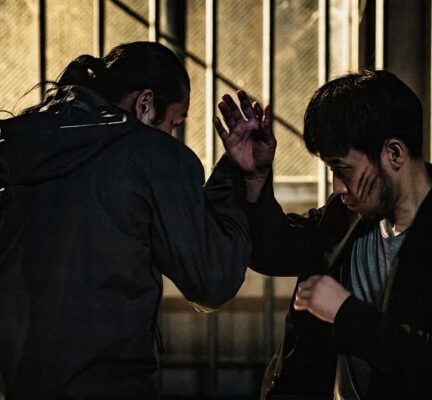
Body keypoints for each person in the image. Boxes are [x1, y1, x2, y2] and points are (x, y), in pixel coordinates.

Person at [0, 41, 251, 399]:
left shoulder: (24, 145)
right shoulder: (150, 154)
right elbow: (212, 280)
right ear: (145, 103)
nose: (171, 134)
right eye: (174, 122)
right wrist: (235, 179)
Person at [214, 70, 432, 399]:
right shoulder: (348, 216)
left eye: (343, 169)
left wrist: (346, 314)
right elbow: (273, 250)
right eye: (331, 170)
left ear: (394, 153)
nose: (337, 187)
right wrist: (254, 177)